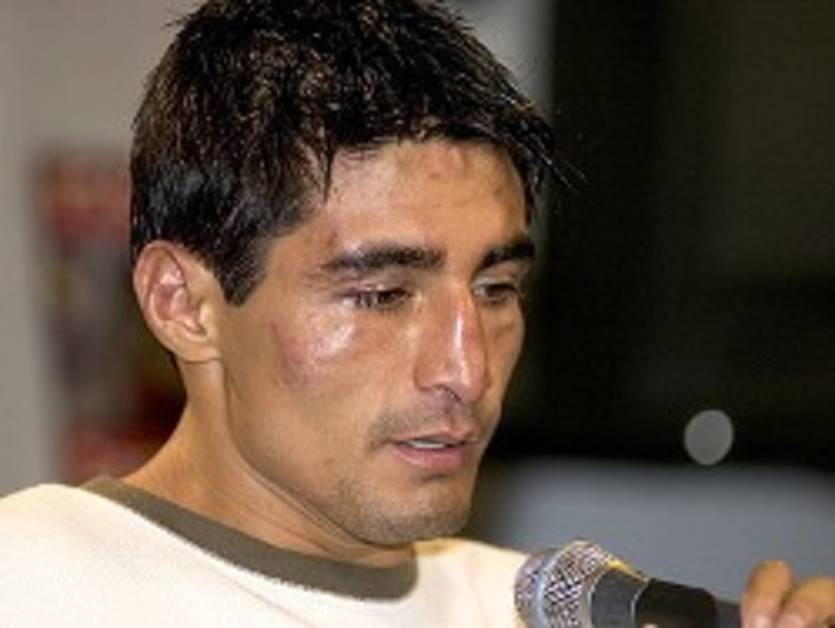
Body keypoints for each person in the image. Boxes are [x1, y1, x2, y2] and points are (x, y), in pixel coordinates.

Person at [1, 1, 832, 626]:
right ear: (182, 303)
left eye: (495, 289)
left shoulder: (537, 609)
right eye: (382, 294)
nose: (466, 370)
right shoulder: (32, 583)